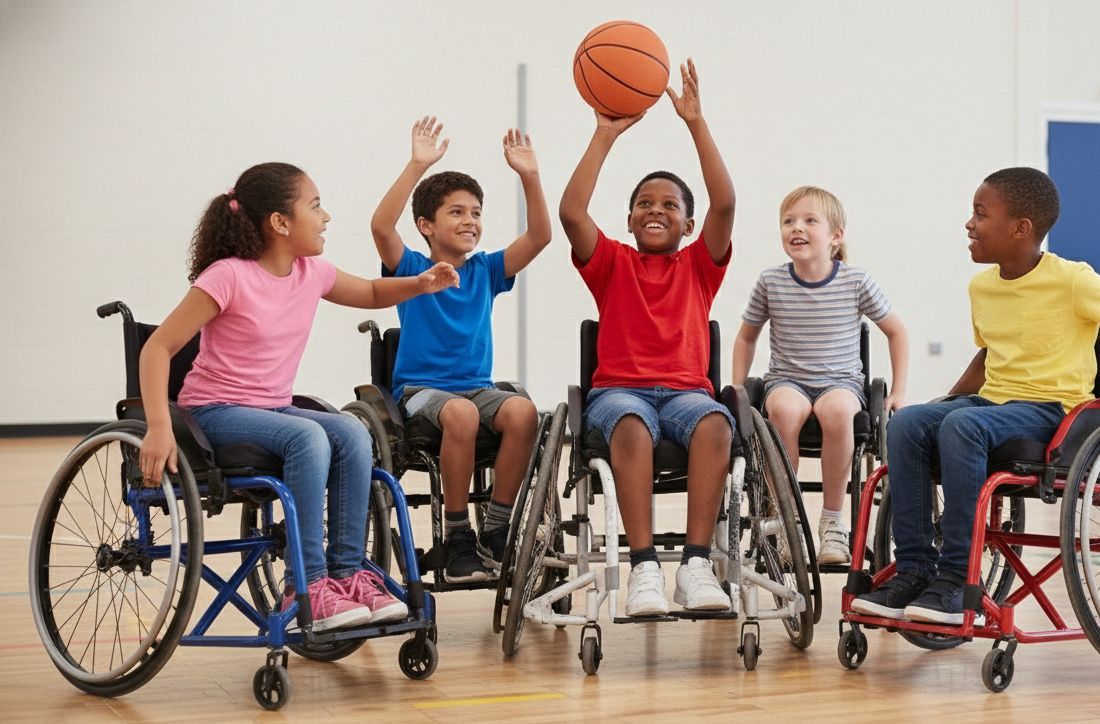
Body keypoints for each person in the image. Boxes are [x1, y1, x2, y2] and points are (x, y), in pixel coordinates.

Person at [137, 162, 459, 631]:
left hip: (272, 409)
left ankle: (348, 574)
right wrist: (159, 427)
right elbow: (157, 348)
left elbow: (370, 291)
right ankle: (305, 581)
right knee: (307, 437)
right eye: (315, 205)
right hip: (216, 411)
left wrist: (421, 282)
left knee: (351, 429)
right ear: (280, 223)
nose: (326, 216)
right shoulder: (228, 276)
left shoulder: (312, 272)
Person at [850, 167, 1100, 624]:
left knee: (962, 424)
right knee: (908, 422)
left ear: (1021, 229)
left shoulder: (1074, 280)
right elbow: (988, 356)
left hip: (1053, 412)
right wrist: (943, 403)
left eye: (980, 214)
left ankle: (957, 580)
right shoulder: (983, 286)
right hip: (993, 403)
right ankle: (915, 572)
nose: (969, 224)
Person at [559, 59, 736, 616]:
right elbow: (570, 211)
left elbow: (725, 203)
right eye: (644, 204)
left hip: (686, 394)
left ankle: (696, 565)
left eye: (670, 206)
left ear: (688, 225)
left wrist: (697, 122)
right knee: (631, 426)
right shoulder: (611, 262)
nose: (655, 210)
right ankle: (643, 570)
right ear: (630, 220)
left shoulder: (700, 266)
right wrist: (604, 133)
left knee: (715, 421)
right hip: (619, 392)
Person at [370, 117, 551, 582]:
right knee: (463, 416)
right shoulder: (411, 267)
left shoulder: (485, 272)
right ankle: (456, 536)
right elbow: (380, 226)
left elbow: (540, 237)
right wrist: (416, 165)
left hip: (477, 388)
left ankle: (496, 528)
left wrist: (529, 175)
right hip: (422, 392)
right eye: (457, 212)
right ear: (426, 225)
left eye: (475, 212)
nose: (470, 220)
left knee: (525, 413)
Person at [732, 185, 908, 565]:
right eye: (789, 221)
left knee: (840, 412)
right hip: (787, 380)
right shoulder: (771, 281)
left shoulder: (856, 280)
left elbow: (897, 331)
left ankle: (832, 522)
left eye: (810, 220)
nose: (797, 228)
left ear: (835, 236)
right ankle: (786, 521)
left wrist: (899, 389)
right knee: (783, 412)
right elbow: (746, 336)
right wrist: (735, 386)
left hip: (840, 383)